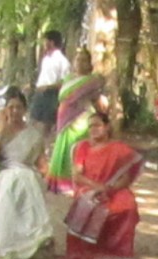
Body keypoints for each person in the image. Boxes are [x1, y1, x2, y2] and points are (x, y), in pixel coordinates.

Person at [0, 88, 54, 259]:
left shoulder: (33, 134)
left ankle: (31, 240)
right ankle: (9, 242)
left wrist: (48, 173)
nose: (14, 111)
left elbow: (41, 163)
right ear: (5, 109)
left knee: (24, 177)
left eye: (18, 107)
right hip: (1, 173)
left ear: (25, 110)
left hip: (26, 173)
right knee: (17, 178)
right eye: (10, 107)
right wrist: (2, 130)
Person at [66, 113, 143, 259]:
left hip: (112, 188)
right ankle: (85, 250)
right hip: (88, 187)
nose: (93, 129)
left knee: (127, 203)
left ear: (107, 127)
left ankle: (119, 252)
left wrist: (110, 189)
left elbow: (125, 178)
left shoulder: (119, 149)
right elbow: (77, 176)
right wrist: (97, 187)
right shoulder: (83, 147)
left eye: (97, 125)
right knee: (89, 203)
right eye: (90, 126)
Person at [48, 49, 105, 194]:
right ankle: (60, 183)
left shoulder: (92, 80)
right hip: (63, 118)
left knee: (77, 149)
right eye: (78, 59)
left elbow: (96, 100)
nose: (80, 62)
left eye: (84, 60)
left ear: (89, 64)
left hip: (81, 119)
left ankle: (77, 182)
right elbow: (63, 97)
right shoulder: (68, 79)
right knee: (63, 147)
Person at [31, 30, 72, 138]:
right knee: (33, 122)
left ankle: (45, 149)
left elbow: (64, 82)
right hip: (39, 93)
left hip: (51, 95)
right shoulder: (45, 59)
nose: (44, 44)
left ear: (51, 42)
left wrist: (48, 87)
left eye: (45, 41)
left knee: (46, 126)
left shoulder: (62, 61)